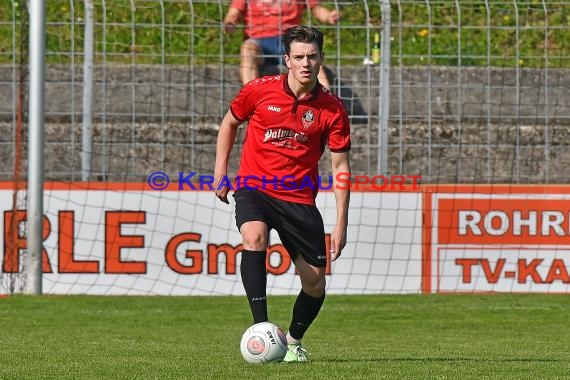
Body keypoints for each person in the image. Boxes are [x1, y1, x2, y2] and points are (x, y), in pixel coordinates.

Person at [213, 25, 351, 362]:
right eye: (299, 57)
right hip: (254, 187)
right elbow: (229, 124)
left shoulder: (332, 110)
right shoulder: (258, 91)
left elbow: (341, 168)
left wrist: (341, 224)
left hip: (299, 199)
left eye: (312, 56)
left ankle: (293, 340)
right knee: (254, 235)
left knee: (315, 283)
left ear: (321, 59)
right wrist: (220, 173)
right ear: (286, 59)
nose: (306, 63)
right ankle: (261, 329)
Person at [223, 0, 339, 88]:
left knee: (311, 58)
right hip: (258, 42)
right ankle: (251, 100)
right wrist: (229, 23)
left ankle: (327, 105)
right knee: (247, 49)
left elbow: (316, 9)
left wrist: (329, 16)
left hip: (292, 39)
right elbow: (233, 13)